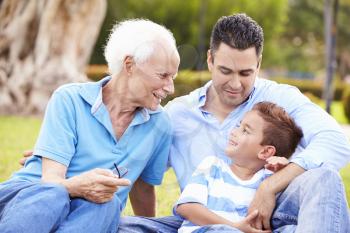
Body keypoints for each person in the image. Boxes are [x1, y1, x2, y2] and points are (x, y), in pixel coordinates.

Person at [118, 13, 350, 233]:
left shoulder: (282, 98)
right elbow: (142, 173)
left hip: (271, 219)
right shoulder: (179, 114)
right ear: (210, 59)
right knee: (119, 227)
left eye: (246, 73)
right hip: (204, 222)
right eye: (226, 71)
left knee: (324, 177)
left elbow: (336, 142)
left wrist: (270, 186)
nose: (235, 84)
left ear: (258, 64)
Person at [0, 19, 180, 233]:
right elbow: (51, 181)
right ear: (129, 65)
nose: (171, 87)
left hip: (88, 214)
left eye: (173, 77)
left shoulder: (160, 124)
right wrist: (78, 186)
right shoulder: (70, 98)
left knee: (109, 203)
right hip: (32, 198)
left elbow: (142, 187)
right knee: (56, 195)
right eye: (163, 76)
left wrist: (147, 227)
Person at [175, 101, 303, 233]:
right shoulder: (212, 166)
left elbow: (302, 192)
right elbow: (186, 207)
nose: (234, 132)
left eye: (245, 131)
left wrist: (285, 170)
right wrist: (234, 227)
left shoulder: (269, 179)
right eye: (238, 125)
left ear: (265, 152)